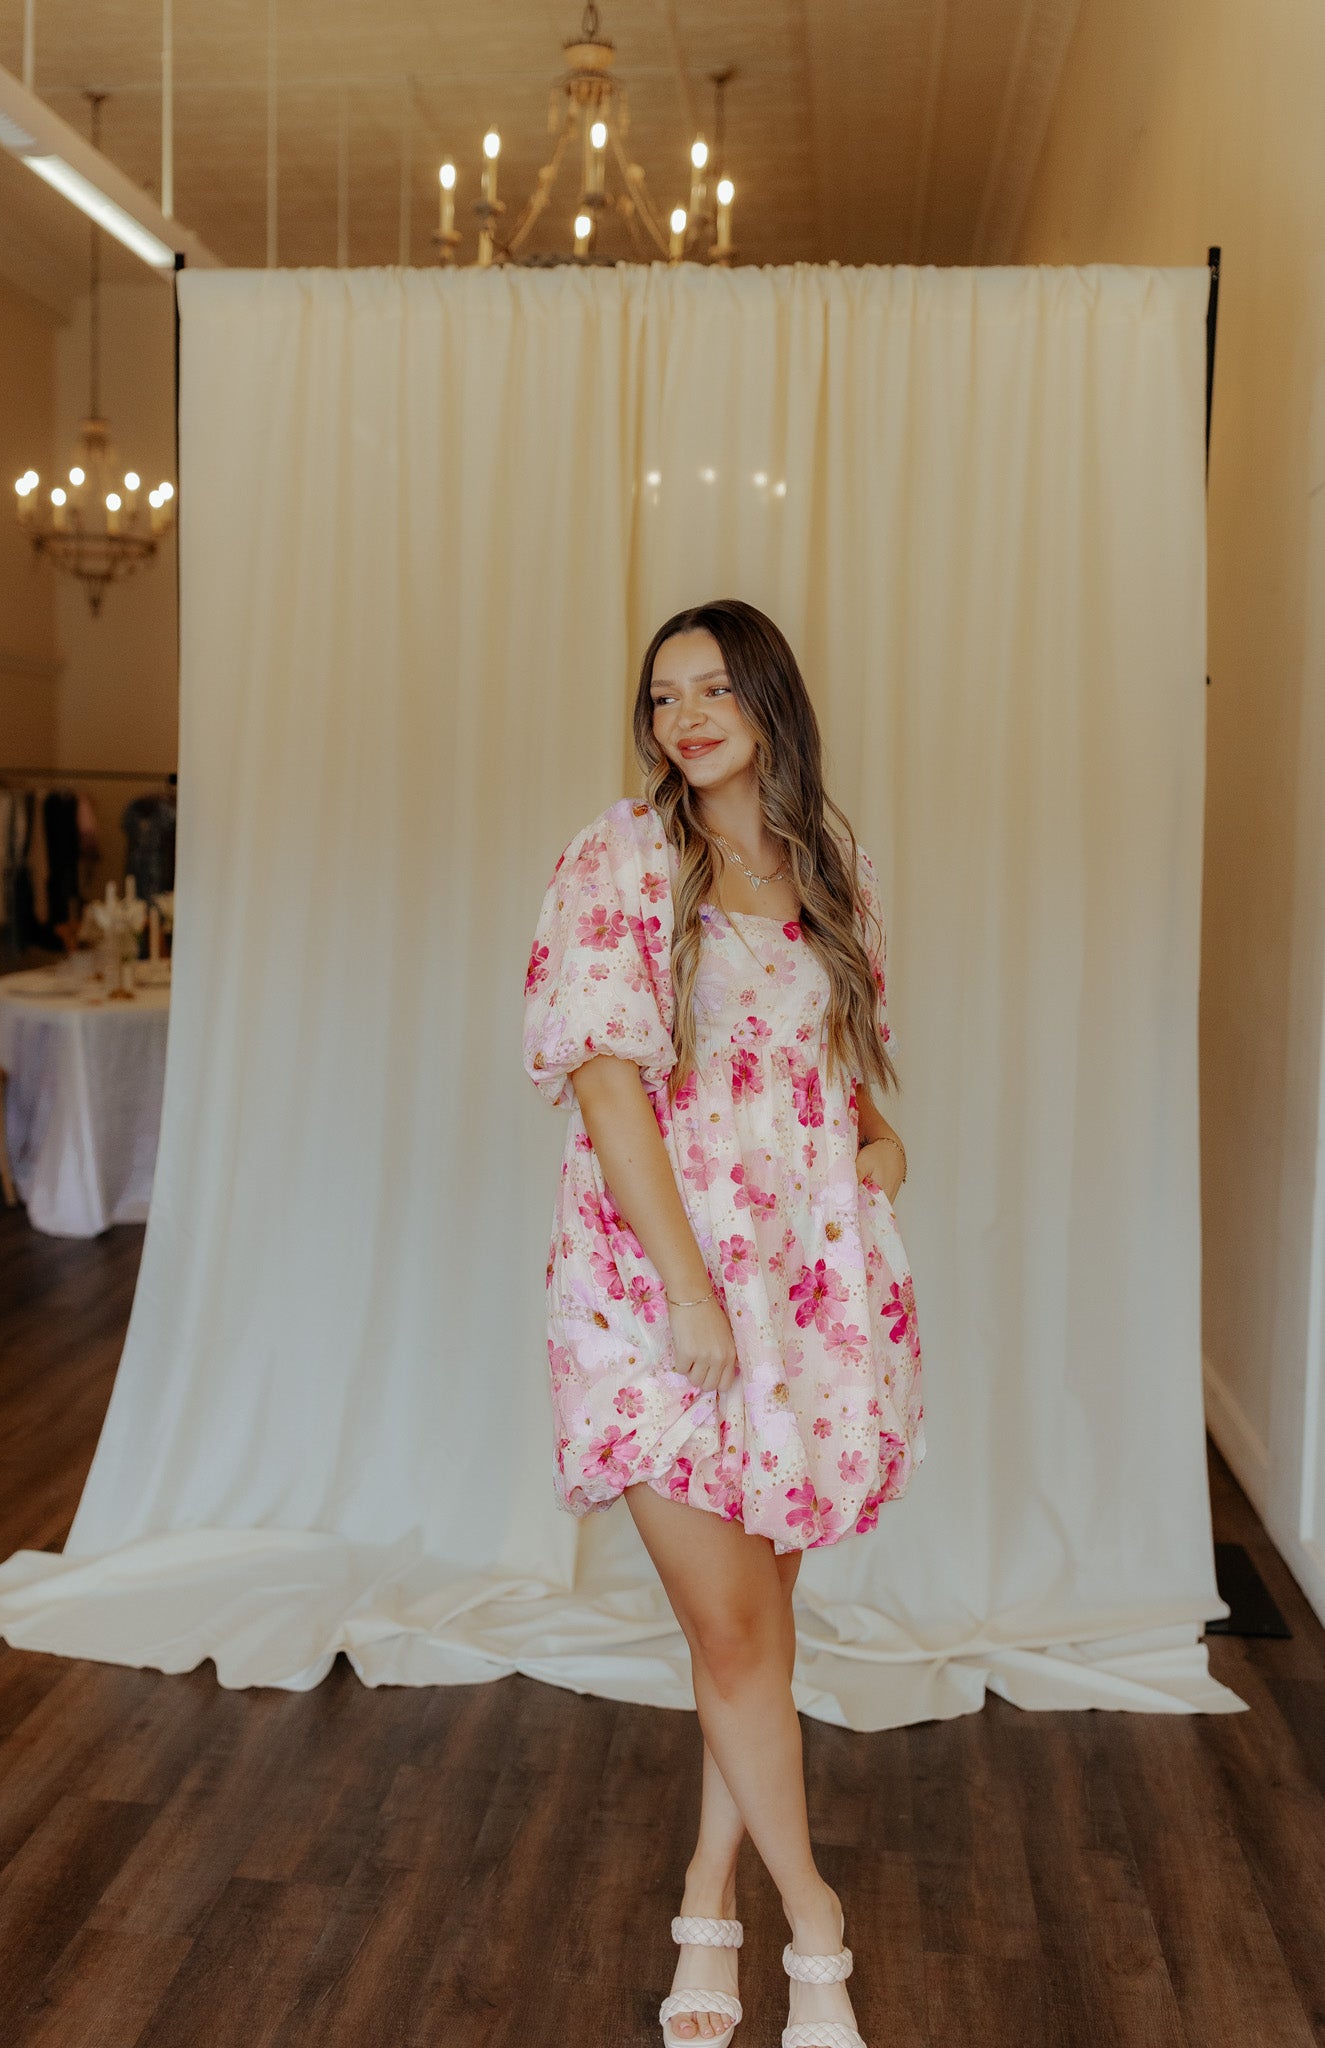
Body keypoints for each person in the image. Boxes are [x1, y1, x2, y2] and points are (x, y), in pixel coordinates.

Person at [522, 598, 925, 2048]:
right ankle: (813, 1924)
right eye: (662, 695)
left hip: (803, 1293)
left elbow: (846, 1077)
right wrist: (687, 1290)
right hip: (655, 1293)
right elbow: (608, 1087)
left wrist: (877, 1149)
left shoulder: (832, 871)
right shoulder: (617, 860)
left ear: (767, 700)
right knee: (735, 1630)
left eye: (711, 688)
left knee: (749, 1634)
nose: (684, 716)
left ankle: (708, 1898)